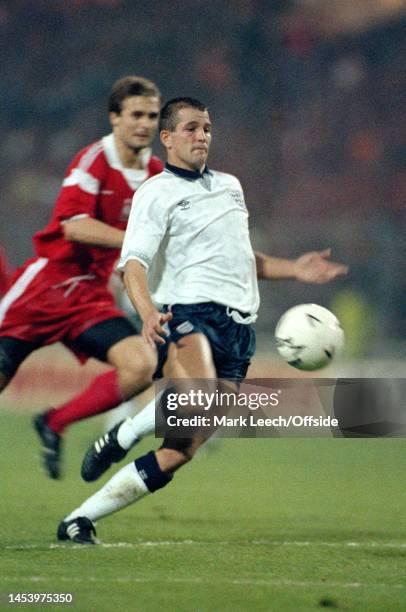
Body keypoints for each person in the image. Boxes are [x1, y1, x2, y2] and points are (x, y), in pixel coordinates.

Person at [57, 96, 347, 543]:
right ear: (167, 137)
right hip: (186, 313)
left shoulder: (231, 186)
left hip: (238, 328)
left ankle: (80, 518)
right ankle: (124, 432)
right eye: (191, 128)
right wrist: (149, 311)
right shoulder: (155, 192)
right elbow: (132, 264)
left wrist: (294, 268)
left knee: (181, 449)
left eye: (207, 128)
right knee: (199, 396)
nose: (201, 136)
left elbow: (240, 258)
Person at [0, 76, 164, 479]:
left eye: (152, 116)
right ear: (114, 118)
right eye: (136, 114)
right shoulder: (94, 159)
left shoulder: (158, 175)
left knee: (142, 364)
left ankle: (55, 422)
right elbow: (73, 226)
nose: (144, 124)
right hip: (43, 289)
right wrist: (134, 241)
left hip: (90, 298)